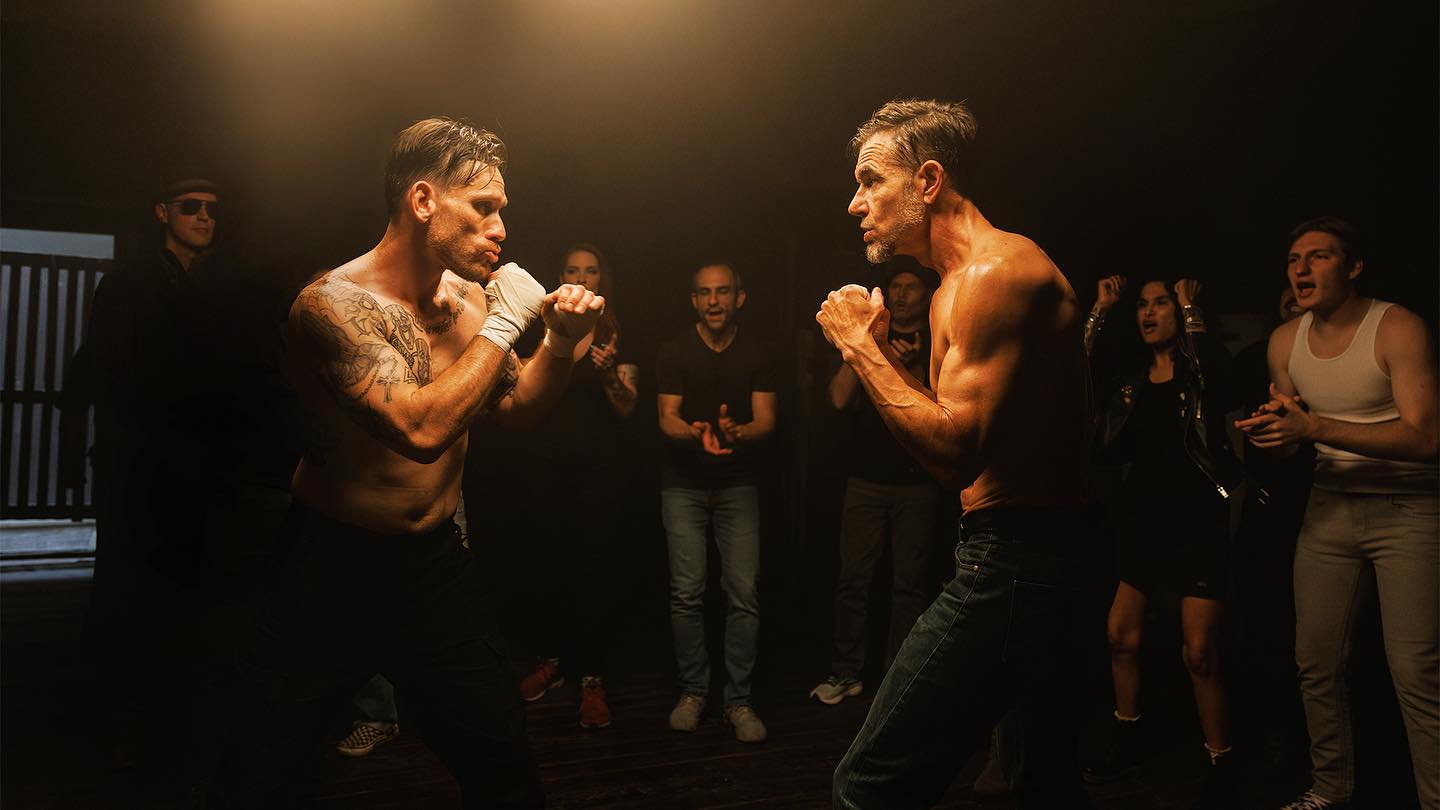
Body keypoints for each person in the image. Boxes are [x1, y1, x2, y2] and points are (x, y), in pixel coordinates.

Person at [215, 117, 605, 809]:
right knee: (264, 769)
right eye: (483, 207)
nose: (501, 229)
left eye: (502, 211)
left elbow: (517, 408)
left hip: (432, 564)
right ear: (423, 201)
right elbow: (419, 430)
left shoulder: (470, 300)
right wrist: (506, 324)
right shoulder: (333, 306)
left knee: (503, 760)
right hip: (330, 564)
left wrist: (563, 345)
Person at [817, 99, 1094, 809]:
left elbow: (954, 455)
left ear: (929, 180)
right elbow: (945, 426)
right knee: (1042, 785)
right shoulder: (955, 288)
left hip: (1017, 560)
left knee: (866, 786)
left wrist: (857, 348)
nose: (855, 203)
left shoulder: (994, 275)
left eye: (871, 180)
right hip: (1034, 553)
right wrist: (884, 354)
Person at [1237, 217, 1438, 810]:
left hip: (1409, 509)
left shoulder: (1396, 327)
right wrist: (1276, 433)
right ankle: (1330, 790)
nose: (1300, 268)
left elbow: (1427, 438)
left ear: (1353, 268)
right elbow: (1295, 432)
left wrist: (1315, 427)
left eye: (1318, 256)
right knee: (1316, 664)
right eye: (1293, 259)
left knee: (1417, 671)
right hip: (1330, 510)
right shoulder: (1284, 342)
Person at [1082, 274, 1242, 807]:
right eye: (1143, 306)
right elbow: (1081, 380)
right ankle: (1128, 734)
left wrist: (1193, 308)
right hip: (1145, 521)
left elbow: (1220, 380)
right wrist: (1101, 311)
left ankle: (1221, 760)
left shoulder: (1200, 373)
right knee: (1120, 635)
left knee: (1199, 651)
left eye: (1162, 304)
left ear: (1182, 310)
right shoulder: (1131, 379)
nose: (1149, 313)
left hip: (1198, 521)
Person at [515, 243, 639, 730]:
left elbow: (627, 407)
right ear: (560, 277)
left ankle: (592, 679)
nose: (582, 279)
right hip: (544, 464)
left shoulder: (615, 332)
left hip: (599, 470)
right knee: (546, 563)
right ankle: (550, 663)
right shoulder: (543, 327)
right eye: (573, 271)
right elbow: (520, 389)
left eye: (591, 271)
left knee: (594, 569)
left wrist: (608, 375)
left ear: (602, 279)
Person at [810, 263, 941, 706]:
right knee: (853, 579)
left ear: (927, 295)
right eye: (895, 286)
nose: (901, 294)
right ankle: (845, 672)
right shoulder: (867, 340)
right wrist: (871, 351)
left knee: (910, 585)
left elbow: (943, 410)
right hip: (865, 478)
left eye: (911, 287)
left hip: (918, 482)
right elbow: (837, 397)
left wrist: (907, 366)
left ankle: (897, 680)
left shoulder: (936, 342)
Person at [656, 262, 776, 743]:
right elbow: (666, 417)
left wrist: (738, 433)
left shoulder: (758, 351)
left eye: (722, 291)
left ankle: (738, 701)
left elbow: (766, 420)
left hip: (737, 484)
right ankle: (693, 692)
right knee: (687, 593)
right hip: (682, 484)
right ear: (694, 300)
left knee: (743, 592)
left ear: (738, 298)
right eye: (704, 292)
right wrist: (696, 433)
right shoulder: (674, 351)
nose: (713, 301)